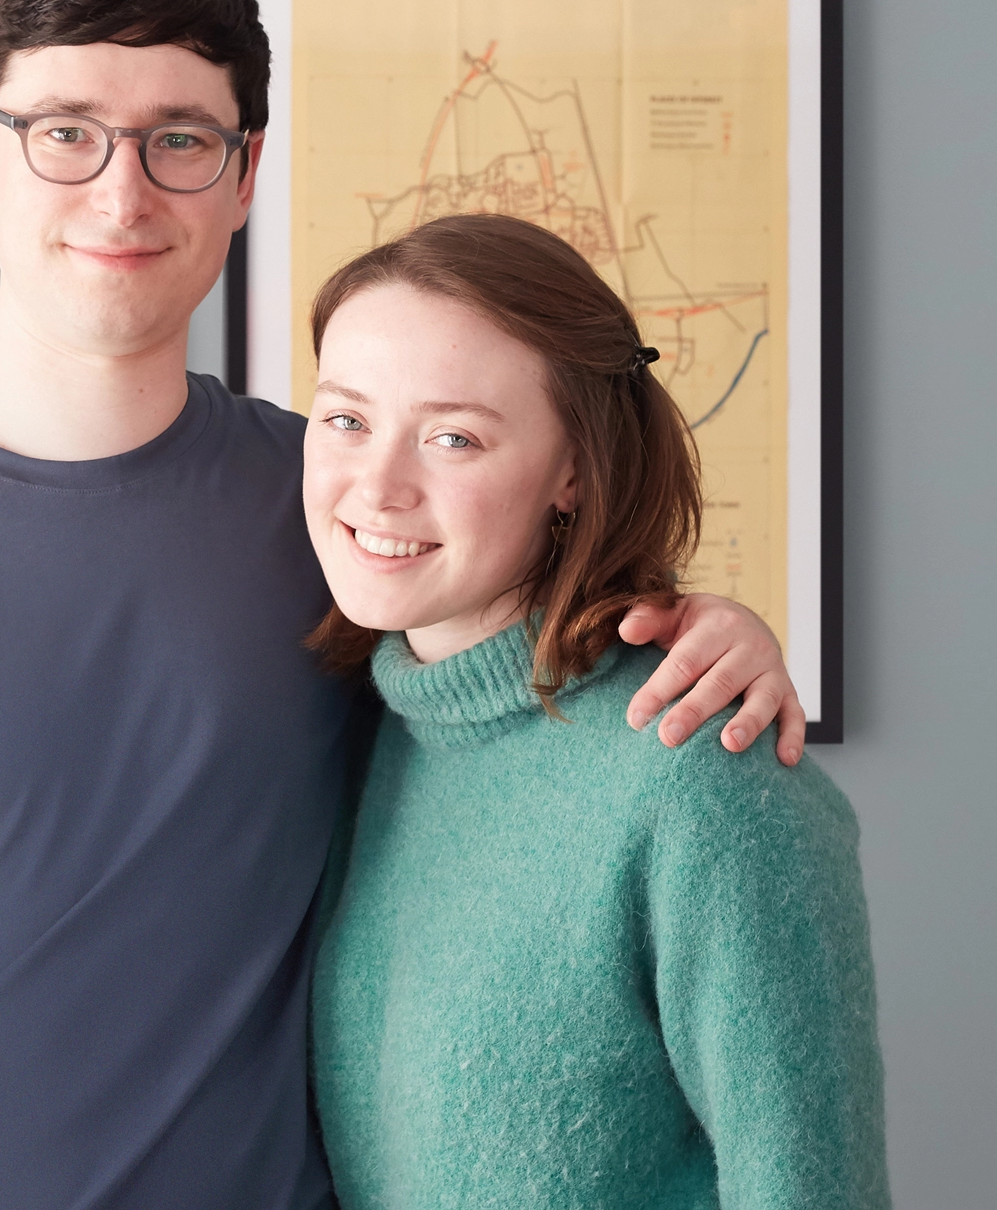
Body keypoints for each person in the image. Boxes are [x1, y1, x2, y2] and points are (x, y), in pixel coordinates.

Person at [0, 0, 807, 1210]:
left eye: (179, 140)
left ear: (245, 174)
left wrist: (713, 624)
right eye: (66, 132)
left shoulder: (346, 512)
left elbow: (542, 688)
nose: (122, 193)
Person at [304, 213, 888, 1209]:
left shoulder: (700, 770)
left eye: (453, 437)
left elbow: (812, 1186)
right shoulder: (344, 731)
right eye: (346, 419)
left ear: (572, 471)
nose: (378, 486)